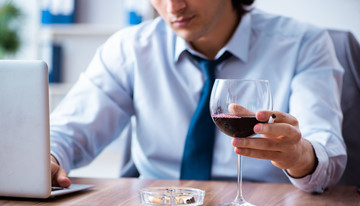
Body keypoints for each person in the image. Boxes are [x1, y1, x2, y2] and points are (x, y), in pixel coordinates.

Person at [50, 0, 346, 193]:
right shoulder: (130, 49)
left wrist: (300, 156)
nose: (173, 6)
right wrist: (47, 157)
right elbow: (68, 131)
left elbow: (326, 146)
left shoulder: (305, 43)